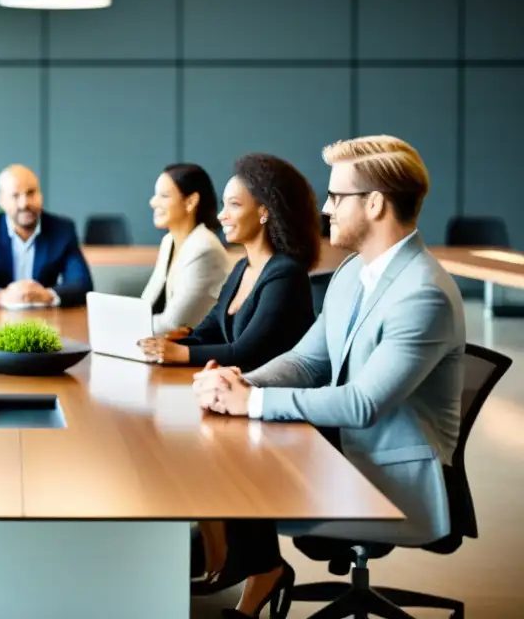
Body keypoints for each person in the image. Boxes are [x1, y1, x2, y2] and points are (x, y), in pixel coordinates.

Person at [193, 136, 465, 619]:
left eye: (337, 196)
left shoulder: (423, 294)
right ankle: (241, 568)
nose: (325, 207)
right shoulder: (352, 275)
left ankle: (244, 570)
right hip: (338, 453)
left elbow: (362, 404)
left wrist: (251, 403)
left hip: (389, 479)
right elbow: (306, 362)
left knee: (230, 471)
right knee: (219, 454)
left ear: (376, 203)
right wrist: (239, 382)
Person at [138, 154, 321, 372]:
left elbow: (246, 353)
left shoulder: (286, 274)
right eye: (223, 204)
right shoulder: (241, 268)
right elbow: (208, 332)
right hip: (237, 388)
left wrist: (180, 352)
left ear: (264, 212)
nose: (222, 216)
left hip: (271, 397)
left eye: (234, 205)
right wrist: (173, 342)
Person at [0, 164, 94, 308]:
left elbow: (82, 284)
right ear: (1, 201)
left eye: (31, 193)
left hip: (45, 321)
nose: (24, 203)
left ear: (40, 194)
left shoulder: (62, 230)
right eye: (15, 196)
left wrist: (47, 295)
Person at [140, 163, 230, 336]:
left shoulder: (205, 249)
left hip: (200, 356)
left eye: (164, 196)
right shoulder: (169, 242)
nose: (153, 202)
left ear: (190, 201)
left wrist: (127, 326)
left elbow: (173, 323)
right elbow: (146, 304)